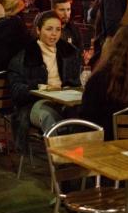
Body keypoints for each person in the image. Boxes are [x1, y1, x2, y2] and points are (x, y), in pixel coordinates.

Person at [8, 11, 81, 148]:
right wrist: (39, 87)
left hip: (65, 100)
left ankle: (83, 156)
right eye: (49, 29)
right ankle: (58, 158)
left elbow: (76, 82)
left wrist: (68, 88)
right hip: (34, 103)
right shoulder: (25, 55)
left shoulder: (69, 52)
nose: (54, 34)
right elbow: (16, 90)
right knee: (49, 115)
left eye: (58, 30)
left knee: (84, 112)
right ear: (38, 30)